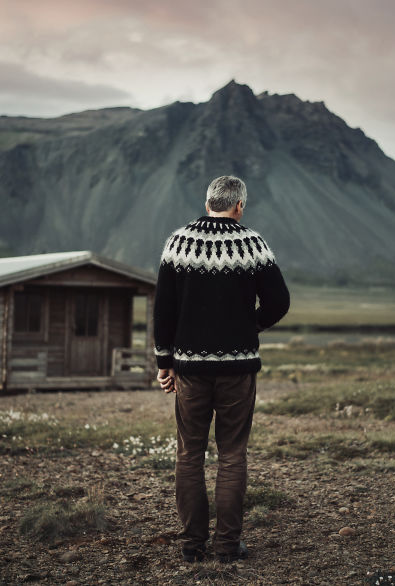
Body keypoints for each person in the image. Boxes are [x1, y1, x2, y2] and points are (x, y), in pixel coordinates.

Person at [153, 175, 290, 563]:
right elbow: (279, 302)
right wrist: (249, 326)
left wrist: (164, 363)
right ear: (239, 206)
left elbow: (163, 309)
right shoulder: (252, 244)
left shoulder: (178, 243)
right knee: (232, 455)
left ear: (208, 202)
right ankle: (227, 546)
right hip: (237, 369)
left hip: (190, 369)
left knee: (189, 454)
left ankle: (192, 545)